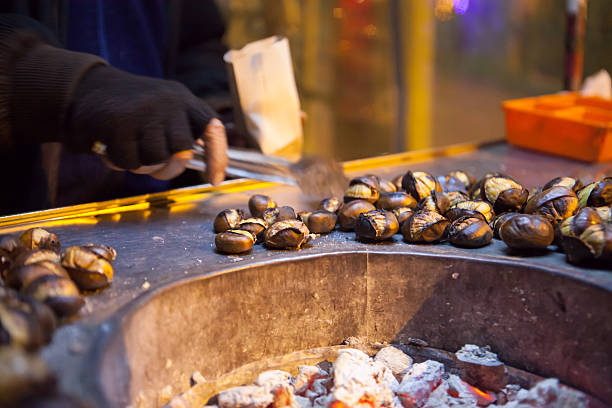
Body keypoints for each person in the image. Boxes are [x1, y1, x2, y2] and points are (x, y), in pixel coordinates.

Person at [0, 1, 230, 215]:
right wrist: (75, 89)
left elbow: (197, 43)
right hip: (26, 213)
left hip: (156, 206)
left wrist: (211, 113)